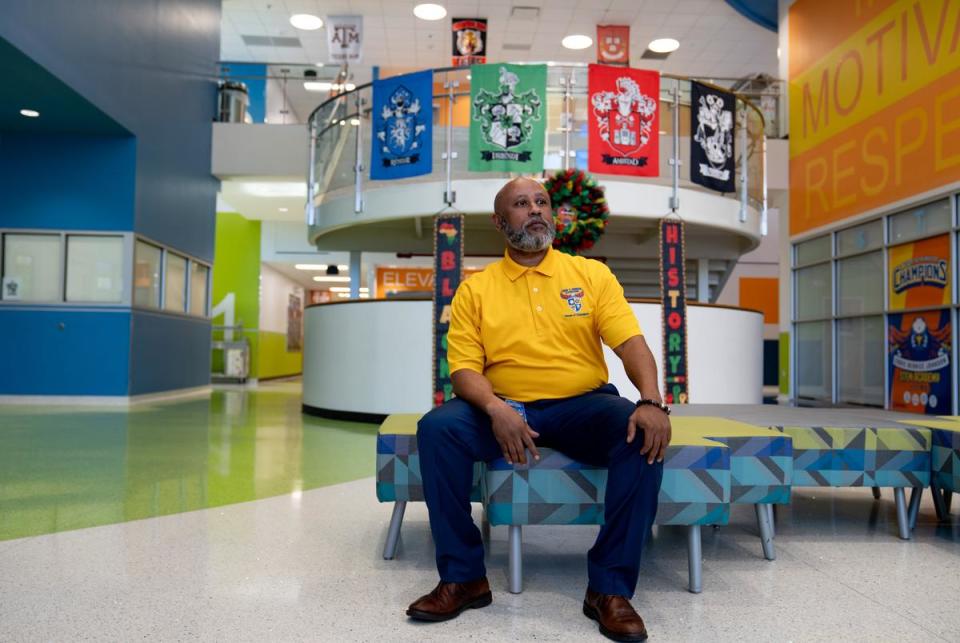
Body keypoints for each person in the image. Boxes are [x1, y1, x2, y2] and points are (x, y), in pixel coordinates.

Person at [407, 177, 671, 642]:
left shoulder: (590, 275)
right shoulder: (476, 290)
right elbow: (464, 370)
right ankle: (464, 577)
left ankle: (608, 588)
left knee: (639, 431)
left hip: (582, 404)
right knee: (437, 429)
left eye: (542, 202)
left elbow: (631, 342)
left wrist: (651, 400)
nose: (535, 210)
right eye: (521, 203)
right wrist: (495, 408)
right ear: (499, 221)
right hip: (502, 405)